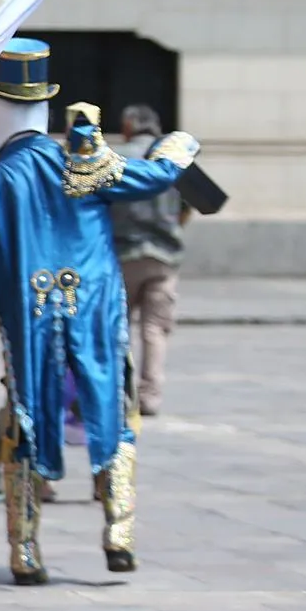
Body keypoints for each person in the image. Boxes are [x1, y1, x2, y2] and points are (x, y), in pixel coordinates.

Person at [0, 45, 197, 582]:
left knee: (27, 410)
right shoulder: (84, 163)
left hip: (28, 311)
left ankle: (25, 549)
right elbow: (156, 176)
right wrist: (178, 146)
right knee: (110, 400)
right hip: (92, 304)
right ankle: (119, 528)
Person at [112, 103, 184, 416]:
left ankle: (119, 392)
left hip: (123, 253)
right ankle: (151, 396)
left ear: (128, 126)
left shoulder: (115, 158)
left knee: (119, 326)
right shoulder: (174, 160)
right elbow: (191, 205)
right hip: (164, 255)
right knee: (155, 329)